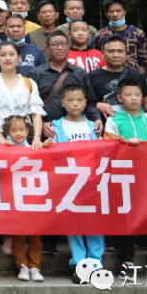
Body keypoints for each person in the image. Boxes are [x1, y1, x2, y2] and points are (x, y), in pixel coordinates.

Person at [102, 78, 147, 277]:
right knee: (127, 219)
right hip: (125, 177)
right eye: (128, 94)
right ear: (119, 97)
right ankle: (127, 261)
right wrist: (125, 143)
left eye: (137, 94)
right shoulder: (114, 119)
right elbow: (107, 144)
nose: (133, 98)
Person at [41, 85, 105, 283]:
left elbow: (103, 151)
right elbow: (50, 153)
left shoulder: (93, 127)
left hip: (92, 182)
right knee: (74, 224)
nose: (75, 104)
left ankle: (96, 262)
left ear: (85, 103)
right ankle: (79, 263)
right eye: (70, 100)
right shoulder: (55, 127)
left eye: (79, 100)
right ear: (63, 103)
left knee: (95, 223)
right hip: (69, 182)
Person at [31, 32, 100, 140]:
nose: (59, 47)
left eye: (63, 43)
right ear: (47, 49)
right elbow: (31, 105)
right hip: (49, 131)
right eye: (55, 44)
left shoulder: (80, 73)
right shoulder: (36, 74)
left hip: (77, 131)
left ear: (68, 47)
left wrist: (96, 118)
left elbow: (90, 102)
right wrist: (41, 124)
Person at [1, 115, 44, 282]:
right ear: (7, 133)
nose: (18, 133)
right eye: (13, 130)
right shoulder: (4, 149)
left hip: (34, 197)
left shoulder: (34, 147)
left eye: (21, 130)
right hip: (15, 197)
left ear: (28, 131)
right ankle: (22, 266)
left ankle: (35, 266)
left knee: (35, 235)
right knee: (17, 235)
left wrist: (47, 146)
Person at [0, 42, 45, 148]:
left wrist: (37, 138)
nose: (7, 58)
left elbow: (36, 113)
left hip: (24, 138)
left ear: (19, 58)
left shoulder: (29, 83)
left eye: (12, 54)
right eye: (3, 55)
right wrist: (0, 138)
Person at [89, 36, 147, 125]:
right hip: (104, 128)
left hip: (134, 126)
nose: (116, 55)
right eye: (111, 51)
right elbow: (84, 102)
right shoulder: (92, 77)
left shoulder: (137, 76)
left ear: (126, 53)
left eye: (120, 51)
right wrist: (98, 105)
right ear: (102, 54)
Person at [92, 0, 147, 72]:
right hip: (107, 75)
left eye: (118, 11)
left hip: (132, 75)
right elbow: (96, 57)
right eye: (111, 11)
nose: (115, 14)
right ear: (106, 14)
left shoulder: (137, 32)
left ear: (124, 12)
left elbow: (143, 58)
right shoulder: (100, 34)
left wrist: (140, 76)